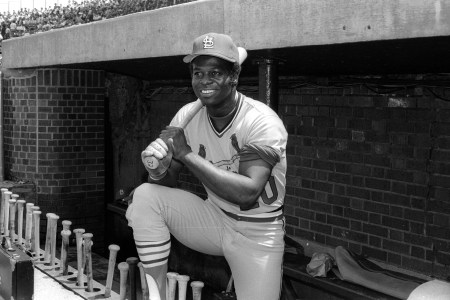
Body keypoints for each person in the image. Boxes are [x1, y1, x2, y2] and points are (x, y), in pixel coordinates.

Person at [126, 32, 288, 300]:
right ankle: (157, 295)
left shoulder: (261, 120)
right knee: (144, 196)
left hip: (258, 232)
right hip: (214, 220)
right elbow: (166, 183)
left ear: (233, 77)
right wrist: (157, 171)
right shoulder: (187, 117)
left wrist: (186, 153)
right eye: (198, 73)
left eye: (214, 73)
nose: (204, 81)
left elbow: (247, 194)